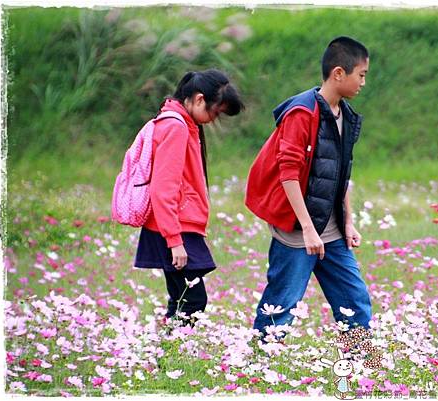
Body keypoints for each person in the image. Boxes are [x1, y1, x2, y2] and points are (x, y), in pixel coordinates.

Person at [245, 36, 372, 337]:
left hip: (331, 231)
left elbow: (343, 174)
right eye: (361, 75)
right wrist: (306, 228)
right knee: (281, 306)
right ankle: (258, 370)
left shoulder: (346, 116)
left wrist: (349, 221)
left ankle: (366, 370)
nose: (363, 83)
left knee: (355, 303)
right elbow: (287, 174)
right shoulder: (302, 113)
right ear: (339, 73)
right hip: (298, 232)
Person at [133, 70, 243, 325]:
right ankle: (174, 354)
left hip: (174, 225)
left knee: (181, 298)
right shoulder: (175, 127)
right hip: (174, 227)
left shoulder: (179, 122)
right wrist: (174, 240)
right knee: (193, 301)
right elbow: (163, 188)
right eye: (215, 113)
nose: (213, 120)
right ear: (198, 99)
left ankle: (167, 354)